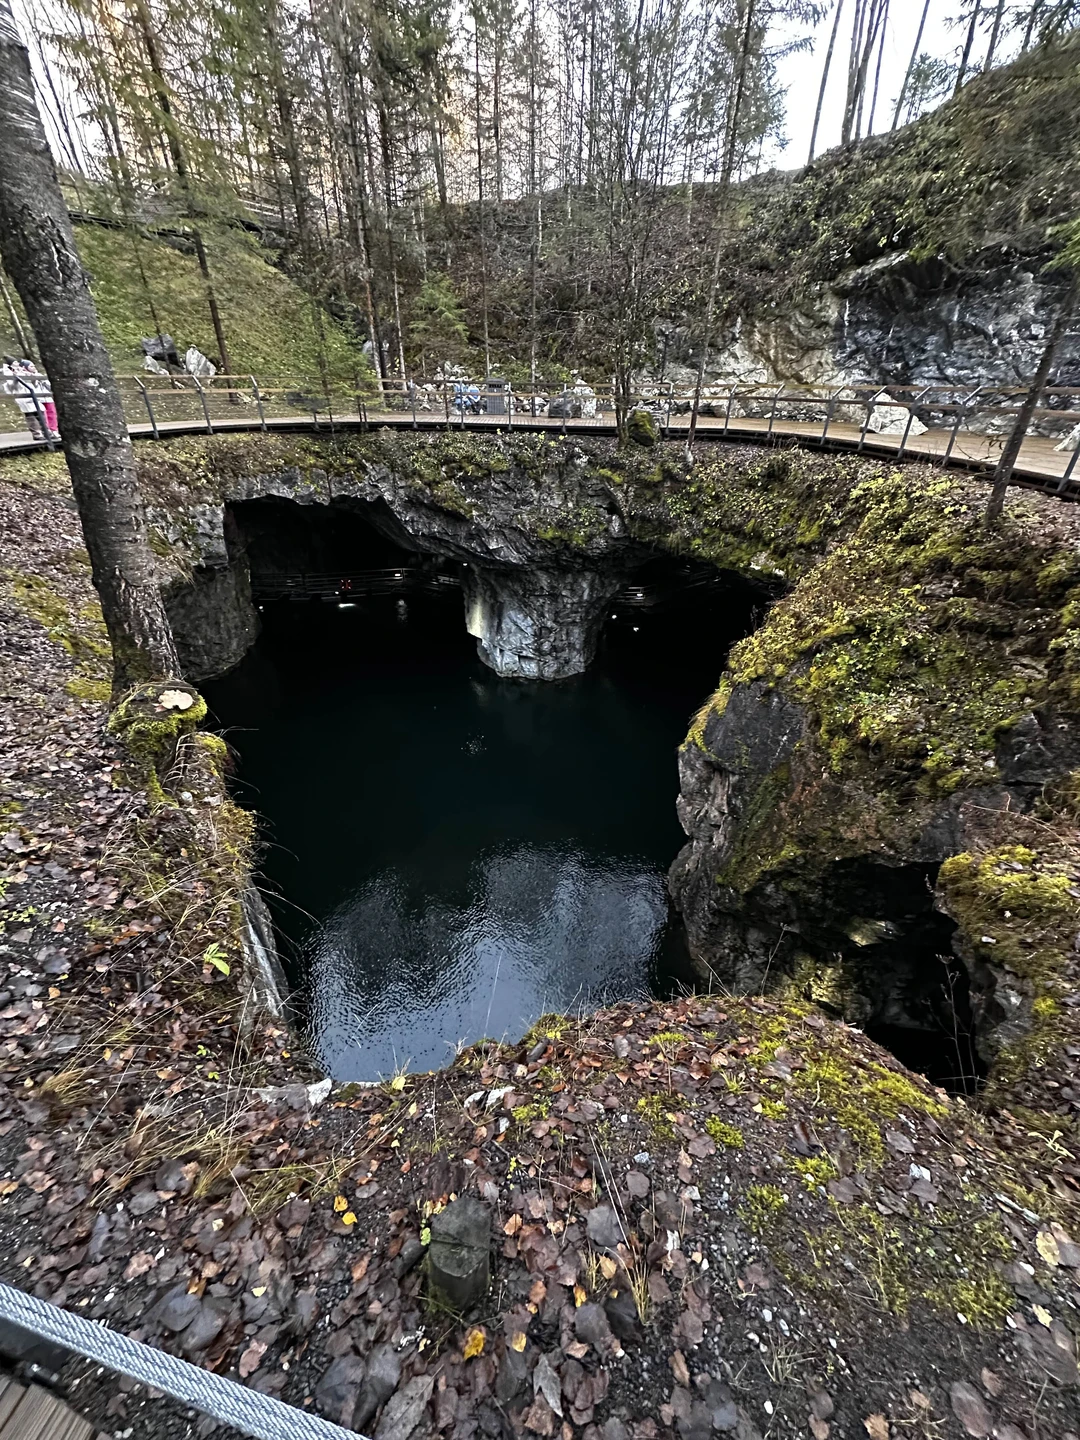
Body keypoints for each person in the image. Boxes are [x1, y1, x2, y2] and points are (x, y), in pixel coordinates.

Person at [1, 355, 58, 441]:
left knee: (41, 413)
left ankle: (46, 431)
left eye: (16, 362)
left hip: (32, 394)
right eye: (14, 362)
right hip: (23, 396)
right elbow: (11, 385)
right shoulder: (8, 372)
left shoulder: (20, 370)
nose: (17, 364)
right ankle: (37, 434)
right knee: (31, 416)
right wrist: (16, 376)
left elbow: (32, 380)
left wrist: (30, 376)